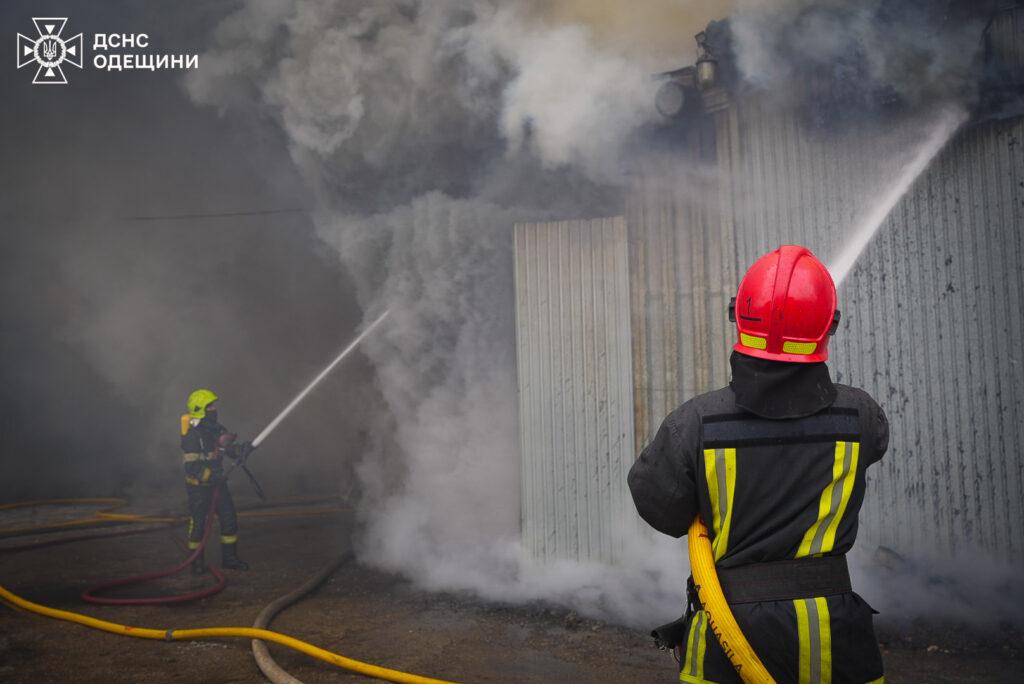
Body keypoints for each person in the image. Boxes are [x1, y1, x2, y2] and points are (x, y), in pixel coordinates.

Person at [628, 245, 887, 684]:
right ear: (829, 327)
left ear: (739, 318)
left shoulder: (694, 425)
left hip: (731, 633)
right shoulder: (861, 416)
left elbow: (662, 509)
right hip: (836, 640)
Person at [181, 388, 251, 573]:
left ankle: (230, 559)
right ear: (201, 409)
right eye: (210, 406)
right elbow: (192, 468)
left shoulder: (217, 429)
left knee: (229, 520)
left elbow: (227, 448)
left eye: (214, 405)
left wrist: (242, 449)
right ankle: (196, 563)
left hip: (218, 486)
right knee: (198, 525)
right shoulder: (192, 436)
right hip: (199, 488)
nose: (214, 408)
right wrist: (211, 476)